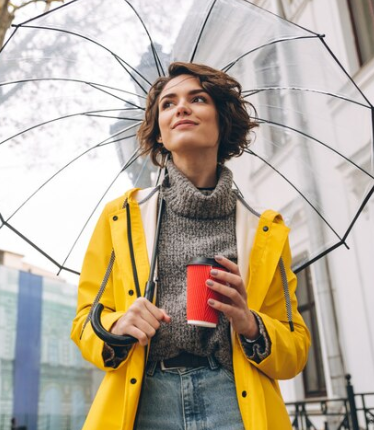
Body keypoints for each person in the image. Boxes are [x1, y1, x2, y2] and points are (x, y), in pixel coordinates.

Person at [71, 62, 311, 430]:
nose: (181, 108)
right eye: (167, 104)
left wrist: (249, 323)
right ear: (160, 134)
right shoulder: (122, 216)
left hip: (233, 400)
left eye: (197, 99)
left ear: (222, 120)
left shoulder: (264, 230)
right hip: (144, 401)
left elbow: (295, 349)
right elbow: (84, 323)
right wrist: (118, 323)